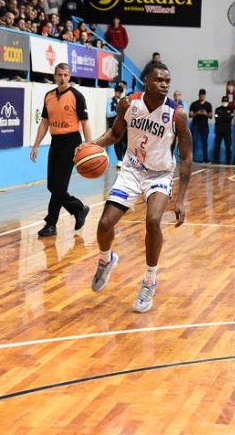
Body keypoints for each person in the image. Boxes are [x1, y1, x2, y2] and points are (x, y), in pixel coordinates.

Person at [88, 62, 193, 313]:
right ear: (145, 81)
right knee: (104, 224)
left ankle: (149, 280)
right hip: (132, 171)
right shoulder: (128, 104)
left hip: (160, 174)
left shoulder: (177, 114)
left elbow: (187, 157)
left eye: (167, 81)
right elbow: (115, 134)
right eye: (159, 80)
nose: (165, 85)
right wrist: (92, 145)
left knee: (153, 220)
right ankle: (106, 259)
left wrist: (180, 199)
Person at [30, 63, 92, 237]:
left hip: (72, 142)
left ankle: (51, 223)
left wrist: (89, 145)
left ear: (69, 76)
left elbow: (85, 123)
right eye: (60, 75)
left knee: (59, 186)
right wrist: (36, 145)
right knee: (52, 185)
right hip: (55, 142)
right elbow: (44, 123)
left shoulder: (76, 96)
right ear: (55, 76)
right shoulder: (49, 96)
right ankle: (79, 208)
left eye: (66, 75)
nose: (63, 78)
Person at [189, 89, 212, 163]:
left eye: (203, 96)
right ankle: (190, 158)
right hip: (195, 125)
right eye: (201, 96)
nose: (202, 98)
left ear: (205, 96)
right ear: (198, 95)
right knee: (193, 142)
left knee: (205, 143)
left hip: (204, 126)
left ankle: (205, 159)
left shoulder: (208, 105)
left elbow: (211, 116)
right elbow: (190, 115)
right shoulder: (194, 104)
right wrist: (197, 113)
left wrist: (206, 114)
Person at [106, 85, 126, 168]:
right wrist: (117, 111)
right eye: (117, 92)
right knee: (117, 143)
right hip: (114, 125)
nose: (118, 94)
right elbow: (108, 114)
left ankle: (124, 159)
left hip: (123, 124)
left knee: (124, 143)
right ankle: (119, 159)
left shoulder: (123, 101)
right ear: (115, 92)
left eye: (120, 93)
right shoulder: (110, 101)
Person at [213, 96, 235, 164]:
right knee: (217, 146)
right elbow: (217, 119)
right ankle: (216, 160)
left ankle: (228, 161)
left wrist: (221, 117)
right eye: (224, 101)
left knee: (228, 146)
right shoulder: (218, 109)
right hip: (219, 130)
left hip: (227, 131)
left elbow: (229, 119)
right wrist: (225, 117)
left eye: (226, 101)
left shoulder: (231, 110)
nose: (225, 103)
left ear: (228, 102)